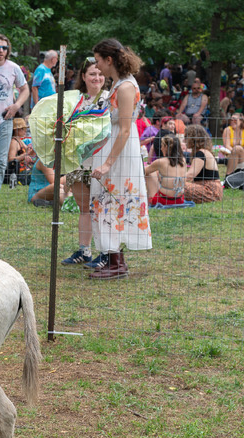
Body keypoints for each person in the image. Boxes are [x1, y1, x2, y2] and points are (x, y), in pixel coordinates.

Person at [88, 39, 152, 280]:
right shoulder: (116, 85)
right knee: (108, 201)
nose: (97, 66)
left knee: (115, 199)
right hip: (110, 146)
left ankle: (117, 262)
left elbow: (125, 129)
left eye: (98, 61)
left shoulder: (125, 87)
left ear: (109, 60)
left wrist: (107, 163)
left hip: (120, 152)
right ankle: (114, 259)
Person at [61, 57, 109, 265]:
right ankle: (84, 251)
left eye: (100, 74)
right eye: (92, 74)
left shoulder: (109, 99)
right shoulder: (75, 101)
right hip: (78, 161)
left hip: (100, 159)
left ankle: (107, 252)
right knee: (84, 207)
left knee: (102, 206)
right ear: (83, 77)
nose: (97, 77)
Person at [0, 33, 29, 214]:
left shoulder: (13, 68)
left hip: (5, 121)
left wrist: (16, 105)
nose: (1, 51)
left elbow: (24, 89)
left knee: (0, 162)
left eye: (4, 48)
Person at [184, 124, 223, 204]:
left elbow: (190, 175)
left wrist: (173, 182)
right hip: (214, 191)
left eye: (186, 137)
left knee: (176, 187)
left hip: (209, 191)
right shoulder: (204, 152)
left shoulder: (201, 153)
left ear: (193, 138)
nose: (184, 140)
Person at [144, 134, 186, 206]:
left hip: (164, 201)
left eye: (162, 145)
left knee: (150, 172)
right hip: (179, 200)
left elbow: (143, 172)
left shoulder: (161, 162)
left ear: (166, 147)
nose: (161, 148)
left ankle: (150, 199)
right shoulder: (183, 160)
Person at [221, 113, 244, 178]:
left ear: (241, 121)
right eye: (231, 120)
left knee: (238, 149)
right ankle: (229, 176)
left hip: (242, 155)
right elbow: (227, 145)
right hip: (230, 154)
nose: (232, 121)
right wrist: (235, 151)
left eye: (235, 120)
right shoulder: (227, 130)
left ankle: (228, 176)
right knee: (237, 148)